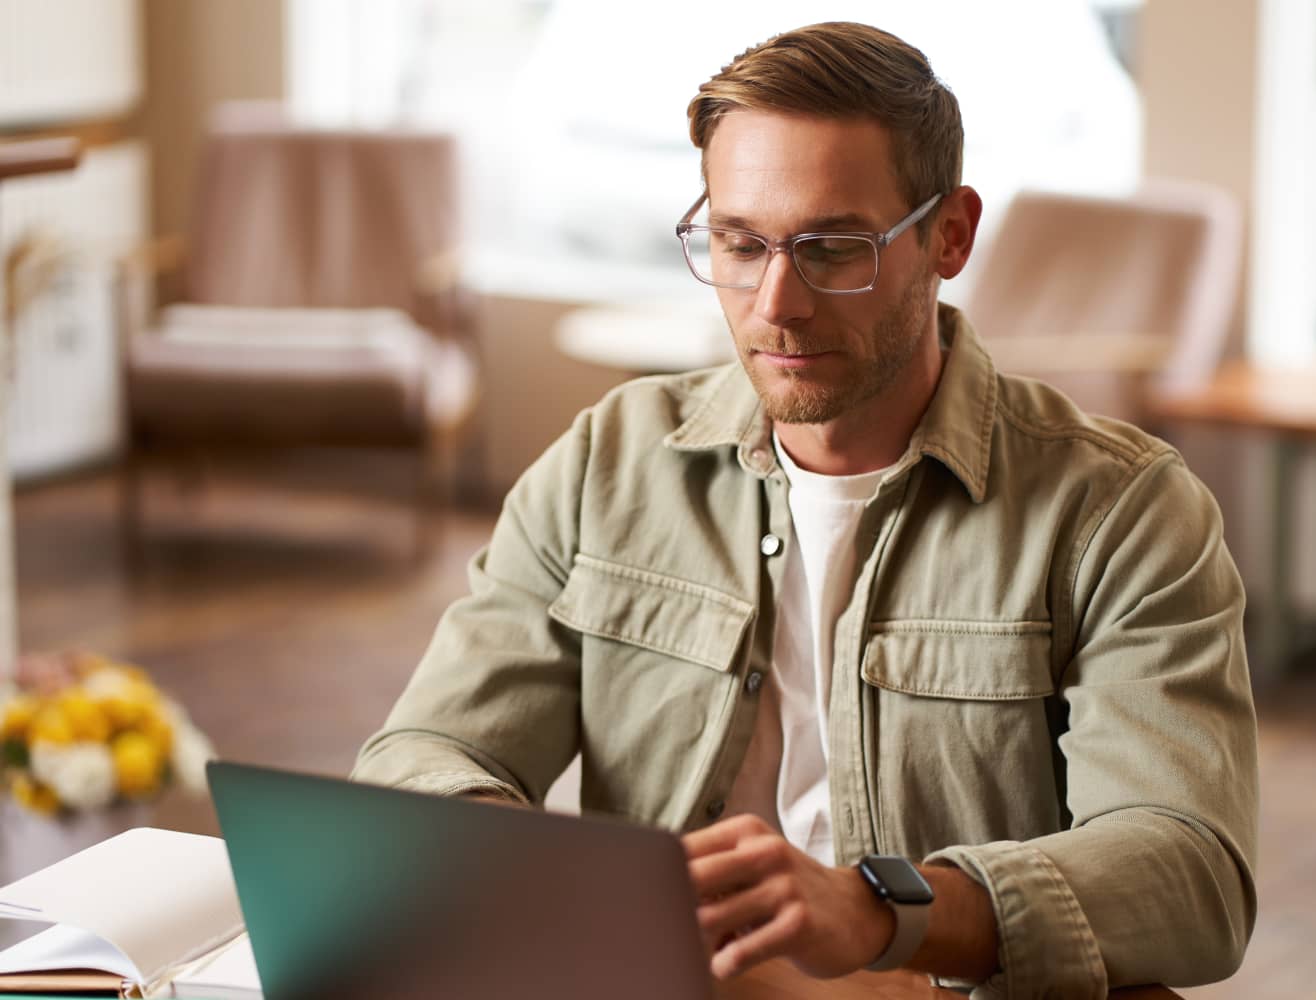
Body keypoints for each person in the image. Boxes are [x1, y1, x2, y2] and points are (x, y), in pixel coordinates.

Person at [353, 21, 1257, 999]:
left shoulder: (1122, 511)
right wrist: (536, 870)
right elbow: (424, 752)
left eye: (834, 248)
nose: (776, 302)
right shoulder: (607, 463)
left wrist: (884, 913)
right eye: (740, 243)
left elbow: (1191, 870)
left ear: (949, 235)